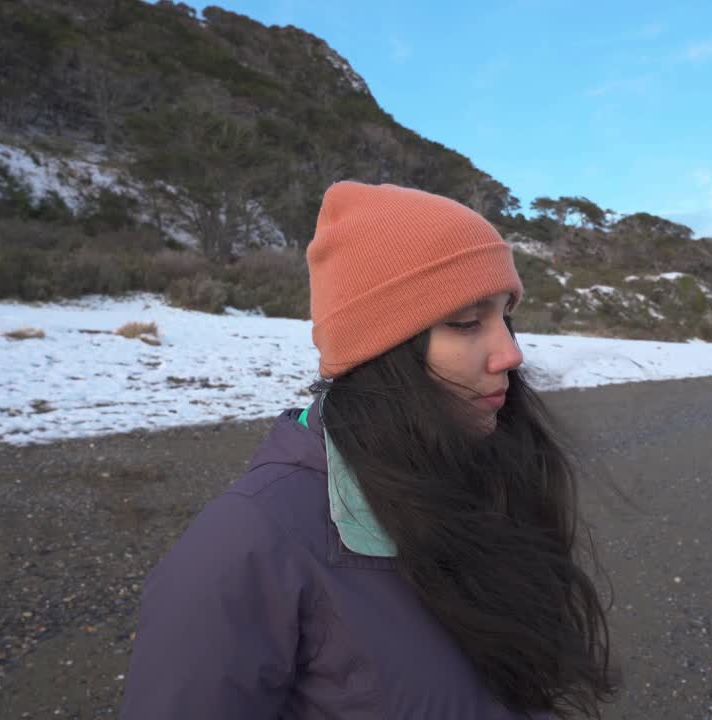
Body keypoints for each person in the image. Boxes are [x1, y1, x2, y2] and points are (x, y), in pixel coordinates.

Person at [120, 181, 617, 719]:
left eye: (506, 317)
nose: (510, 353)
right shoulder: (246, 544)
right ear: (381, 351)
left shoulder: (490, 472)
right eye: (467, 322)